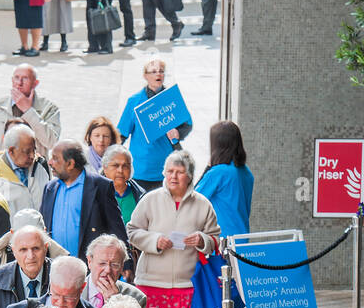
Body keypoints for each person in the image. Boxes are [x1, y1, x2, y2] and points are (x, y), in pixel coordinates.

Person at [126, 148, 219, 308]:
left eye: (179, 172)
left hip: (187, 286)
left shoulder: (202, 204)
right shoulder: (151, 199)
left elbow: (216, 239)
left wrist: (202, 240)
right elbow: (132, 231)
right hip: (150, 284)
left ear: (189, 176)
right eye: (169, 171)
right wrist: (155, 240)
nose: (173, 177)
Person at [117, 54, 193, 192]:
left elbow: (187, 124)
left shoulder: (171, 98)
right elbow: (121, 134)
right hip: (140, 170)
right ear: (145, 76)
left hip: (167, 170)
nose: (158, 74)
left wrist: (178, 132)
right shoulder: (134, 101)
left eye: (161, 71)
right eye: (153, 71)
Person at [41, 141, 127, 260]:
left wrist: (126, 263)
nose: (50, 162)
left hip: (89, 266)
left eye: (55, 158)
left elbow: (116, 227)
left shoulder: (100, 186)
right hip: (54, 267)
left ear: (70, 164)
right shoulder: (50, 188)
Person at [0, 64, 61, 156]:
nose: (19, 83)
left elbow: (51, 142)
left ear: (35, 83)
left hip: (32, 168)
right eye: (16, 78)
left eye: (25, 78)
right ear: (12, 80)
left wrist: (28, 110)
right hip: (0, 168)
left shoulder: (49, 108)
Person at [195, 120, 254, 236]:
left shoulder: (219, 173)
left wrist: (207, 167)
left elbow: (192, 199)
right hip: (242, 237)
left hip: (221, 241)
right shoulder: (246, 172)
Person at [0, 123, 51, 215]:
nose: (32, 155)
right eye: (27, 152)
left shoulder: (41, 165)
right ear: (11, 151)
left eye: (34, 150)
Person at [83, 235, 147, 308]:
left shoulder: (136, 297)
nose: (108, 270)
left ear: (122, 266)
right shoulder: (73, 290)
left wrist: (116, 303)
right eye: (102, 263)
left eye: (115, 265)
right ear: (89, 262)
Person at [101, 145, 144, 228]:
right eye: (115, 165)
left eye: (125, 166)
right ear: (105, 168)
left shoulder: (141, 196)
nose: (120, 170)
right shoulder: (95, 194)